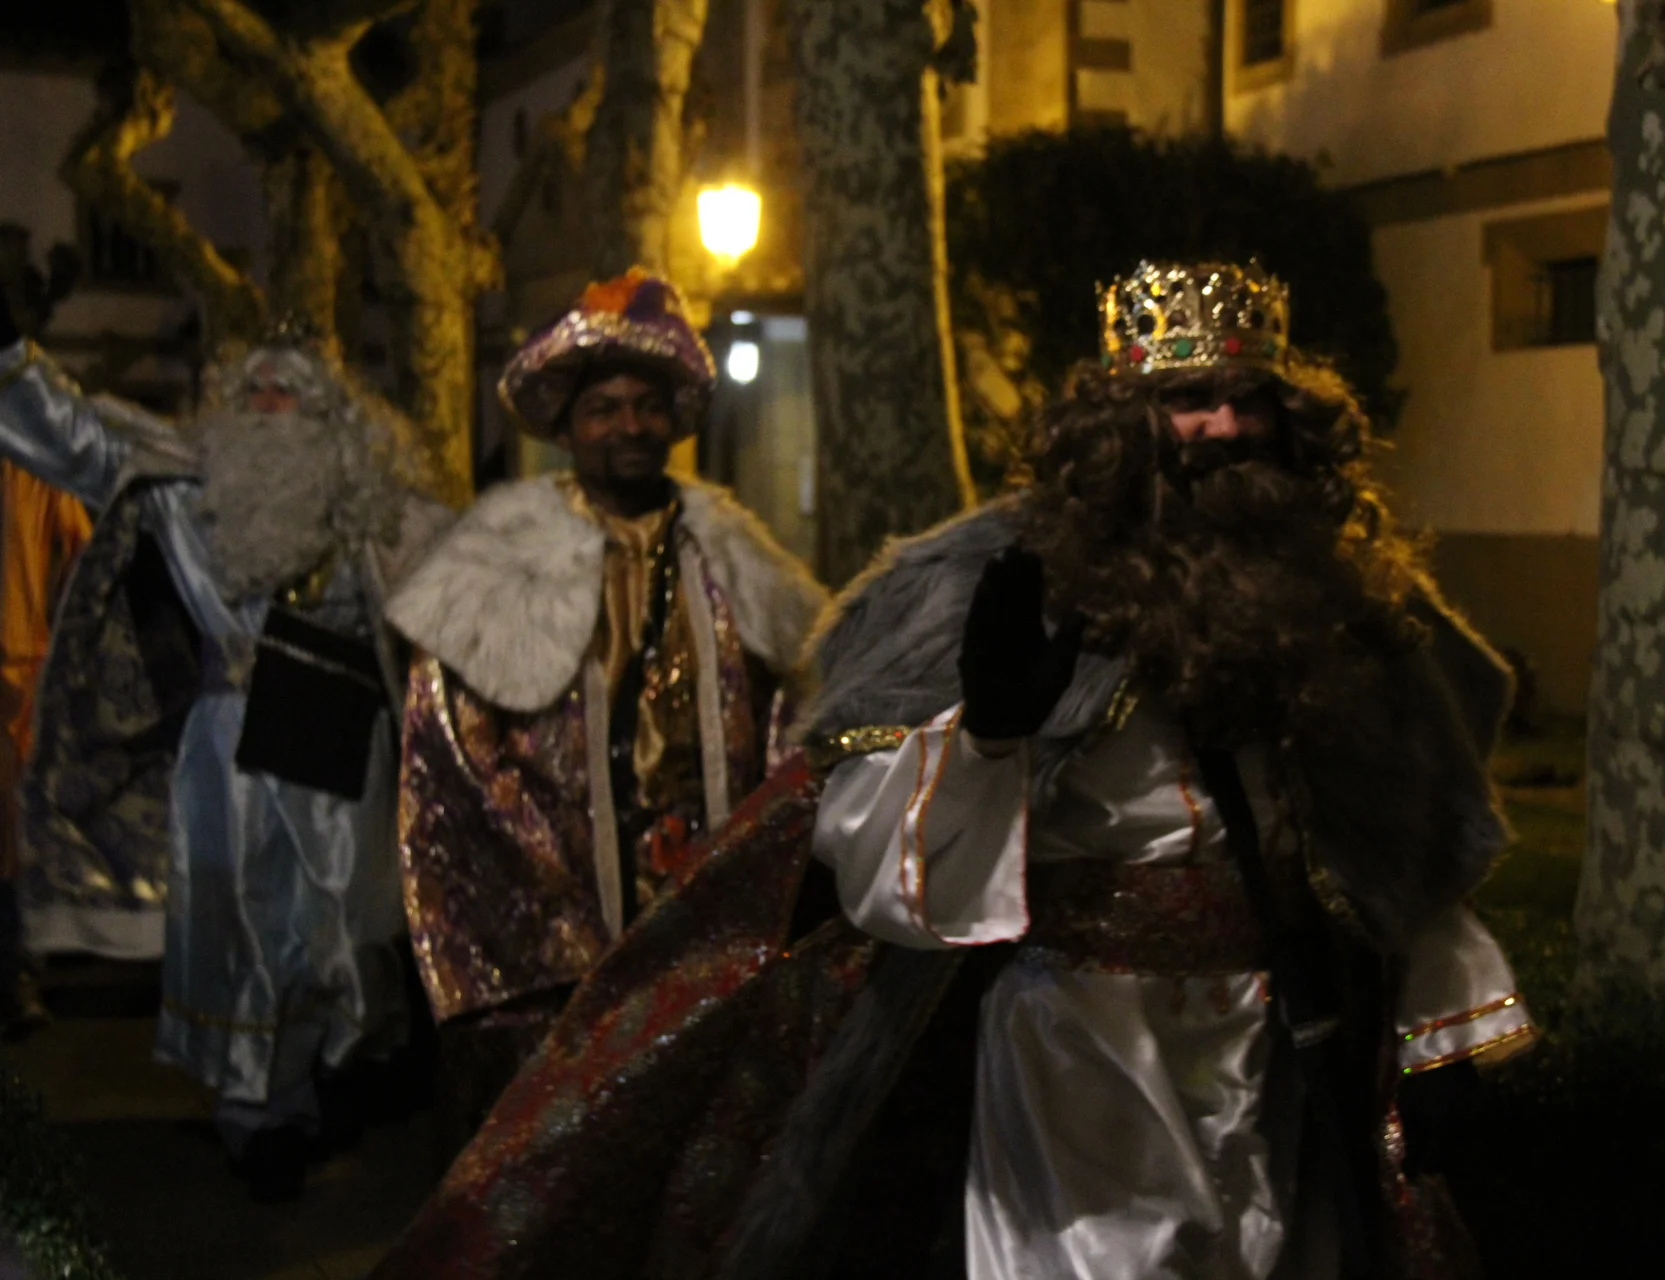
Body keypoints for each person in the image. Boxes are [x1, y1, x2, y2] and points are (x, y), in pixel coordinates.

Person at [372, 261, 1531, 1279]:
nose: (1225, 426)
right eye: (1189, 399)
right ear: (1122, 423)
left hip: (1273, 1041)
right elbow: (872, 860)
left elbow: (1404, 837)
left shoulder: (1339, 597)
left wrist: (1446, 1026)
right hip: (1081, 1052)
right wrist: (988, 736)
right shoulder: (991, 580)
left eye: (1249, 399)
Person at [0, 314, 450, 1199]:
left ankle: (324, 1079)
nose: (270, 405)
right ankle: (255, 1114)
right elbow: (78, 433)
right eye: (255, 390)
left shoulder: (374, 502)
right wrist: (11, 352)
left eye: (290, 392)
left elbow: (454, 596)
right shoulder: (184, 484)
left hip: (344, 743)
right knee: (244, 923)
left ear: (329, 412)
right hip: (232, 746)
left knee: (342, 927)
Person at [382, 266, 827, 1159]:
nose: (629, 426)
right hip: (556, 913)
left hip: (700, 903)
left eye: (647, 406)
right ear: (567, 427)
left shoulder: (734, 558)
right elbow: (453, 747)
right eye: (604, 409)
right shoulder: (499, 561)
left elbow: (790, 715)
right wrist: (547, 880)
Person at [0, 460, 91, 1038]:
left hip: (18, 667)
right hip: (19, 658)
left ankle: (17, 976)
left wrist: (59, 626)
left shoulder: (31, 466)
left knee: (18, 830)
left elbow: (83, 547)